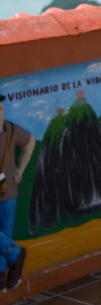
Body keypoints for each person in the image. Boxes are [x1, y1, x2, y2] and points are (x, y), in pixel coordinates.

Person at [0, 93, 35, 292]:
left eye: (1, 109)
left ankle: (1, 275)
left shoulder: (11, 130)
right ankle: (16, 254)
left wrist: (20, 169)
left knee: (5, 232)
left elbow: (30, 143)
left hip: (8, 192)